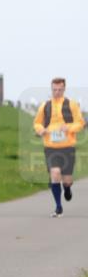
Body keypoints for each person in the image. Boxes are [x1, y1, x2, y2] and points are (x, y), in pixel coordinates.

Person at [33, 77, 85, 217]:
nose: (57, 92)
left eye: (60, 89)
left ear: (64, 89)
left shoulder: (72, 104)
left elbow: (80, 123)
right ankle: (58, 206)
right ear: (51, 89)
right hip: (50, 146)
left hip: (68, 146)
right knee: (55, 174)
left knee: (67, 180)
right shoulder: (45, 105)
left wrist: (68, 127)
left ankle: (67, 188)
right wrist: (41, 130)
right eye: (54, 89)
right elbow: (37, 123)